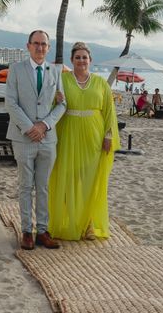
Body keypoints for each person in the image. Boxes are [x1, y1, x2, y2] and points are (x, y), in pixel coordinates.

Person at [48, 42, 120, 241]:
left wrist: (108, 136)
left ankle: (88, 224)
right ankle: (68, 222)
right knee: (67, 178)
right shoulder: (61, 80)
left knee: (89, 179)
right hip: (67, 133)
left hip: (94, 136)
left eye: (84, 57)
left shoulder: (100, 83)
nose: (81, 60)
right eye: (77, 57)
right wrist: (55, 97)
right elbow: (51, 104)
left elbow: (109, 112)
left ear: (90, 60)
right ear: (72, 60)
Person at [5, 30, 66, 250]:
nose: (40, 48)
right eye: (36, 44)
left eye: (44, 44)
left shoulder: (56, 72)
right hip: (22, 137)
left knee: (44, 186)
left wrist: (44, 125)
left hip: (47, 138)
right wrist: (30, 127)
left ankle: (42, 230)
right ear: (28, 46)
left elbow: (62, 104)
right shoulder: (16, 69)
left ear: (48, 48)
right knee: (24, 186)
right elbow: (10, 103)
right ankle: (26, 231)